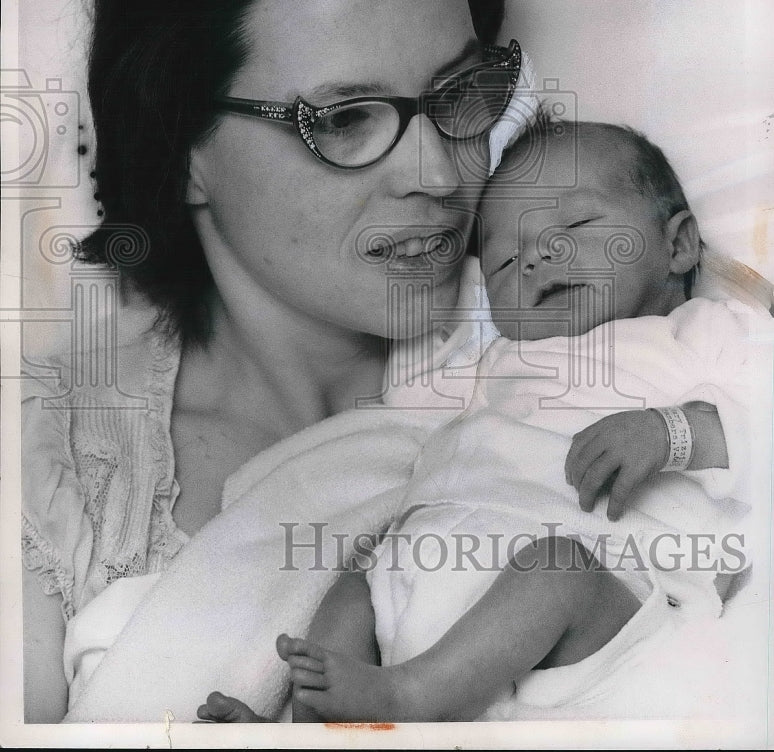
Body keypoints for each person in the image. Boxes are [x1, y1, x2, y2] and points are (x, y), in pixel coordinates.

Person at [20, 0, 525, 723]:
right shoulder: (52, 470)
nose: (440, 173)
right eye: (345, 118)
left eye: (460, 92)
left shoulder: (581, 344)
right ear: (180, 153)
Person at [228, 118, 766, 724]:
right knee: (350, 593)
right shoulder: (491, 365)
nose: (536, 256)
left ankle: (408, 697)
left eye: (576, 225)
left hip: (607, 595)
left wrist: (674, 434)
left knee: (553, 570)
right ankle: (306, 734)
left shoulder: (699, 334)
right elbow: (378, 435)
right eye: (506, 260)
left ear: (679, 245)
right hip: (428, 586)